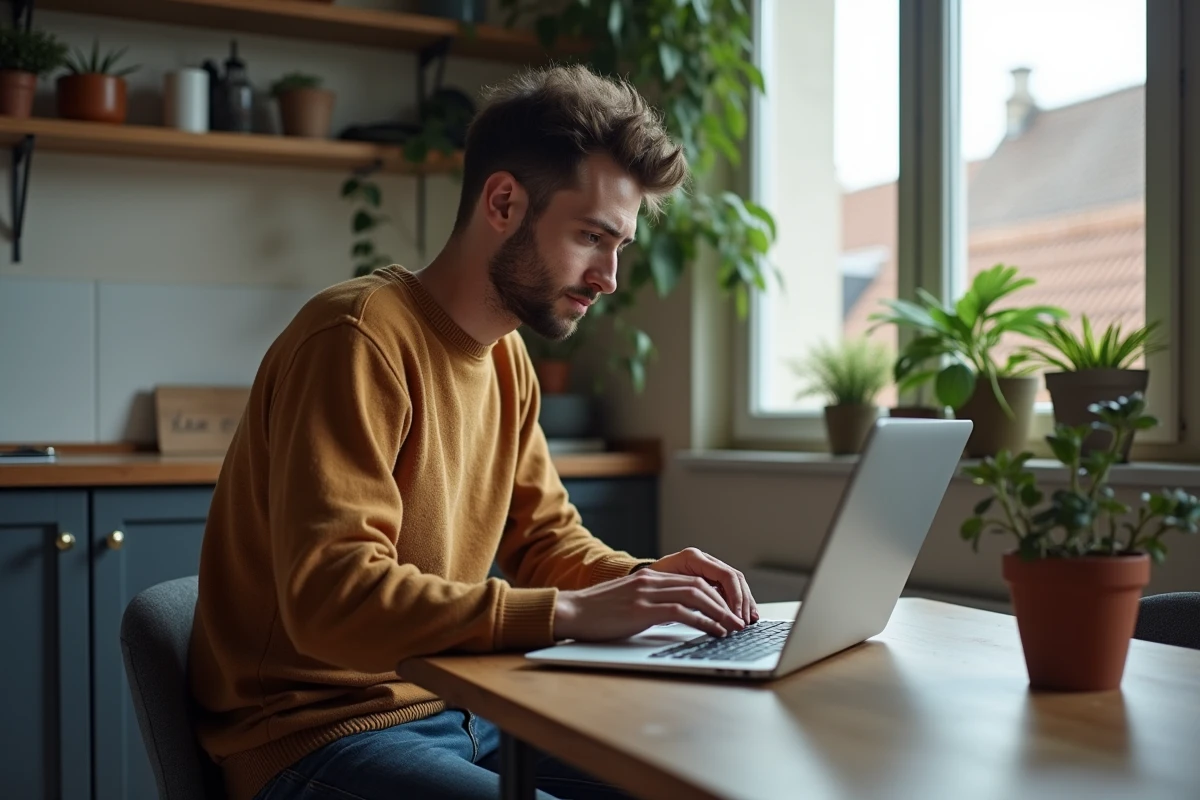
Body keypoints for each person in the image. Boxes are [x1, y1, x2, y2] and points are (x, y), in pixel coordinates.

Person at [188, 63, 760, 800]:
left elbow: (545, 541)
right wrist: (571, 613)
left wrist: (647, 583)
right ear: (502, 201)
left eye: (620, 246)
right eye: (592, 236)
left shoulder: (506, 360)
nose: (609, 277)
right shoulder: (357, 338)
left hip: (466, 708)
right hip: (316, 735)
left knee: (705, 776)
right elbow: (331, 599)